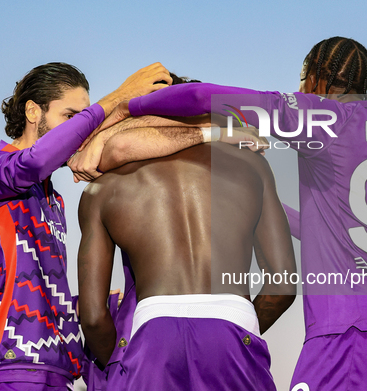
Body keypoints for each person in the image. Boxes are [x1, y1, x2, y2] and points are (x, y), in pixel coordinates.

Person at [103, 37, 367, 390]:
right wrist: (256, 202)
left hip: (350, 332)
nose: (299, 88)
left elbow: (201, 97)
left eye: (302, 79)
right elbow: (336, 227)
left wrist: (126, 107)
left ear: (317, 78)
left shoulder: (328, 118)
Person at [0, 61, 181, 391]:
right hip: (10, 369)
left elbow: (44, 292)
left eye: (85, 117)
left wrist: (112, 305)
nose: (82, 130)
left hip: (59, 375)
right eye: (70, 117)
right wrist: (119, 97)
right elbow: (32, 162)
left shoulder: (54, 199)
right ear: (33, 112)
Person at [77, 140, 296, 390]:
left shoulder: (104, 187)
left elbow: (93, 318)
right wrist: (234, 328)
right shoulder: (251, 165)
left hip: (153, 329)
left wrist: (121, 363)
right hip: (232, 320)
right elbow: (283, 286)